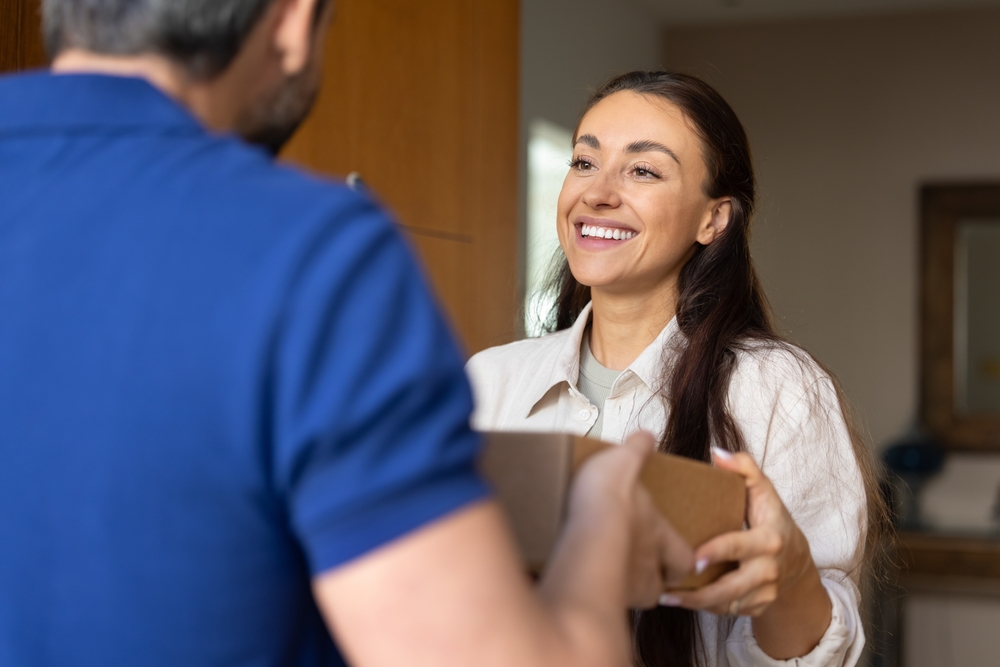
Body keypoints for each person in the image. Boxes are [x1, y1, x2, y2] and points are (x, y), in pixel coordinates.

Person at [0, 3, 696, 666]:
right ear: (294, 20)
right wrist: (602, 514)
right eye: (583, 160)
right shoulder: (308, 252)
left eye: (643, 169)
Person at [467, 71, 888, 667]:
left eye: (643, 170)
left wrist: (791, 577)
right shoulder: (488, 383)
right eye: (584, 162)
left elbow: (819, 654)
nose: (597, 192)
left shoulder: (777, 389)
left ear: (713, 220)